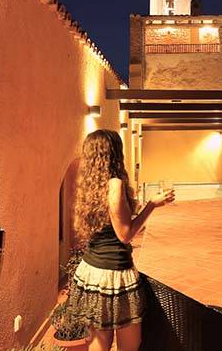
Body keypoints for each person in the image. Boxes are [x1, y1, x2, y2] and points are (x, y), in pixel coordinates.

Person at [68, 129, 174, 351]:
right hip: (114, 275)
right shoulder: (114, 184)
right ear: (115, 152)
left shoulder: (90, 184)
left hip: (91, 272)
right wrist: (152, 205)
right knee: (130, 346)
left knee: (99, 342)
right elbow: (125, 235)